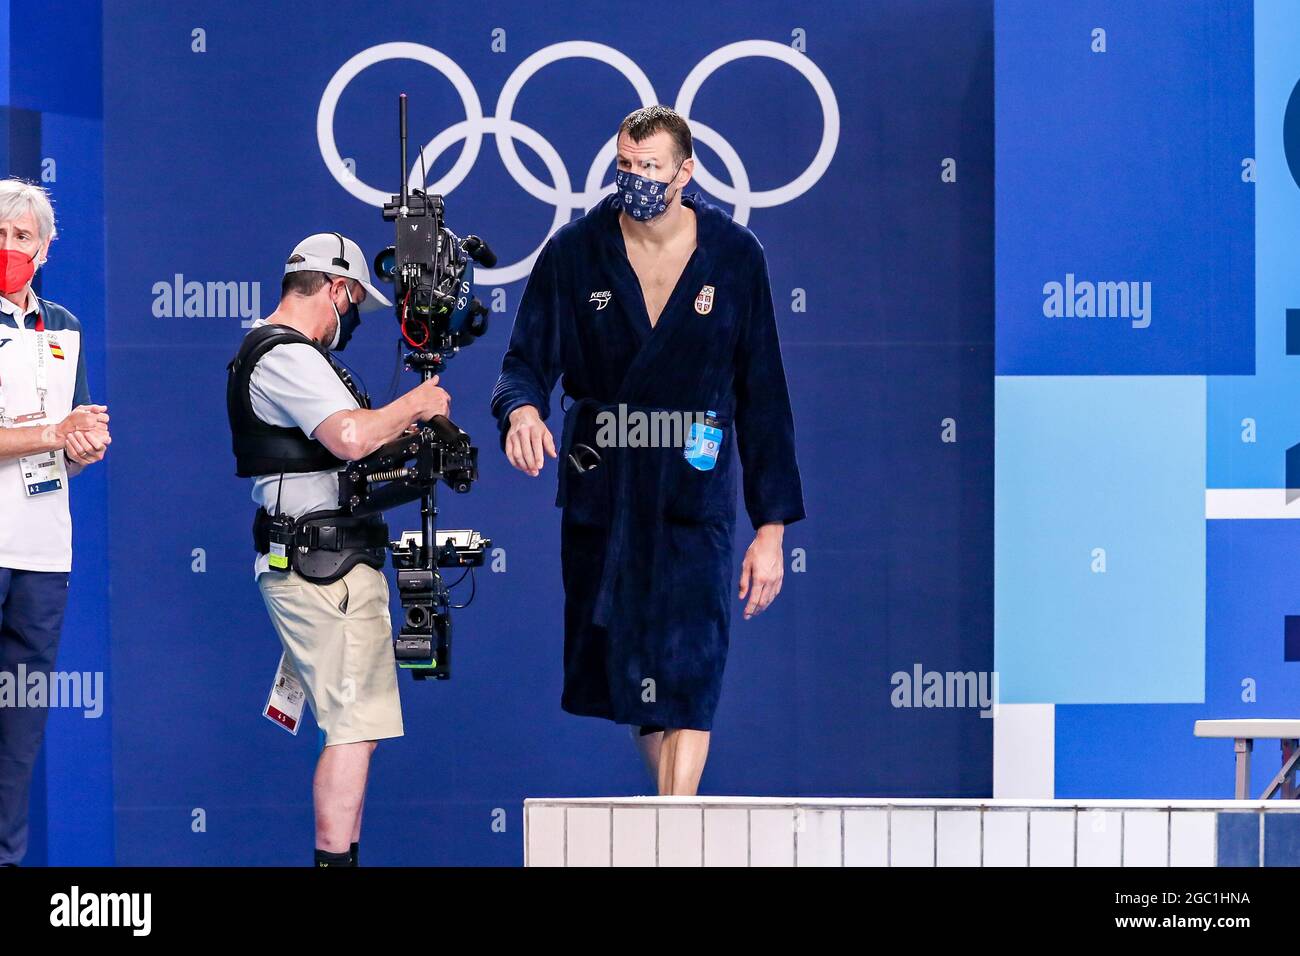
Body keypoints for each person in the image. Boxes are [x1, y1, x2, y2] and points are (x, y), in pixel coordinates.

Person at [491, 106, 805, 796]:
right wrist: (521, 413)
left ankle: (671, 831)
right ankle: (668, 828)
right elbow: (523, 362)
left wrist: (772, 529)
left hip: (695, 480)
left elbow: (764, 397)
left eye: (650, 167)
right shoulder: (574, 252)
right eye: (625, 166)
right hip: (606, 485)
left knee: (691, 666)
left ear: (685, 172)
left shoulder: (735, 255)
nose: (635, 179)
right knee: (635, 677)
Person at [226, 233, 450, 866]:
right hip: (322, 571)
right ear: (335, 287)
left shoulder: (282, 356)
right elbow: (350, 437)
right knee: (353, 732)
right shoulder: (286, 356)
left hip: (329, 561)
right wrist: (417, 404)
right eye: (351, 305)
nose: (347, 321)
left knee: (359, 732)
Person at [0, 177, 110, 865]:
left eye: (21, 237)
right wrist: (52, 433)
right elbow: (46, 431)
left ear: (44, 249)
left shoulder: (63, 325)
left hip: (43, 558)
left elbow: (71, 442)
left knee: (20, 736)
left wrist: (82, 447)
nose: (8, 247)